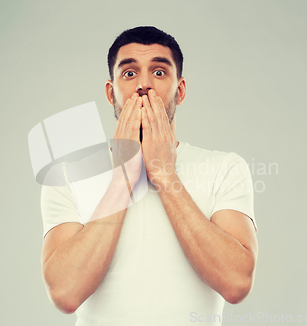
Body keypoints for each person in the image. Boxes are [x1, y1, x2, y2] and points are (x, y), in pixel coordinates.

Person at [40, 26, 258, 325]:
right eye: (129, 73)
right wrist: (123, 180)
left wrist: (165, 175)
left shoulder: (225, 168)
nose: (144, 85)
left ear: (179, 91)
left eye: (158, 72)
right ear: (110, 92)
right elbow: (65, 293)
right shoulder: (67, 174)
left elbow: (236, 283)